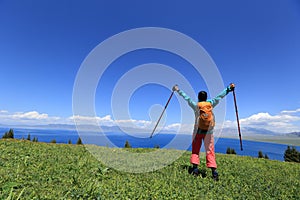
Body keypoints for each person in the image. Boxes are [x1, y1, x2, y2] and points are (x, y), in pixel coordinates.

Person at [172, 83, 235, 180]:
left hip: (197, 131)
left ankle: (195, 170)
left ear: (198, 97)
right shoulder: (211, 104)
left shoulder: (196, 105)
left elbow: (186, 98)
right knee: (210, 151)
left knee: (195, 150)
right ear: (206, 97)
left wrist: (177, 90)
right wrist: (229, 89)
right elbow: (220, 96)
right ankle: (214, 172)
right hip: (209, 132)